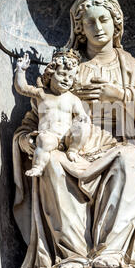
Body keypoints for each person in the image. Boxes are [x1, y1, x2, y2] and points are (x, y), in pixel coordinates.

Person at [13, 0, 135, 268]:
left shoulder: (129, 66)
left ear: (116, 22)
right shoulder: (67, 68)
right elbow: (39, 114)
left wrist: (120, 94)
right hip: (72, 150)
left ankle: (112, 250)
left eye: (104, 19)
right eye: (89, 21)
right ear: (79, 28)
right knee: (51, 164)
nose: (98, 27)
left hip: (115, 146)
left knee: (132, 161)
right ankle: (73, 255)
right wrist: (27, 140)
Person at [14, 49, 90, 177]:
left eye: (70, 77)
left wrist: (82, 119)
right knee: (44, 140)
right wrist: (21, 70)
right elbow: (22, 88)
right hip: (51, 136)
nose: (66, 79)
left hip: (68, 138)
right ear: (50, 74)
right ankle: (38, 167)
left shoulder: (73, 98)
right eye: (62, 74)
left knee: (84, 124)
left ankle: (73, 150)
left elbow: (81, 114)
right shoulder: (42, 93)